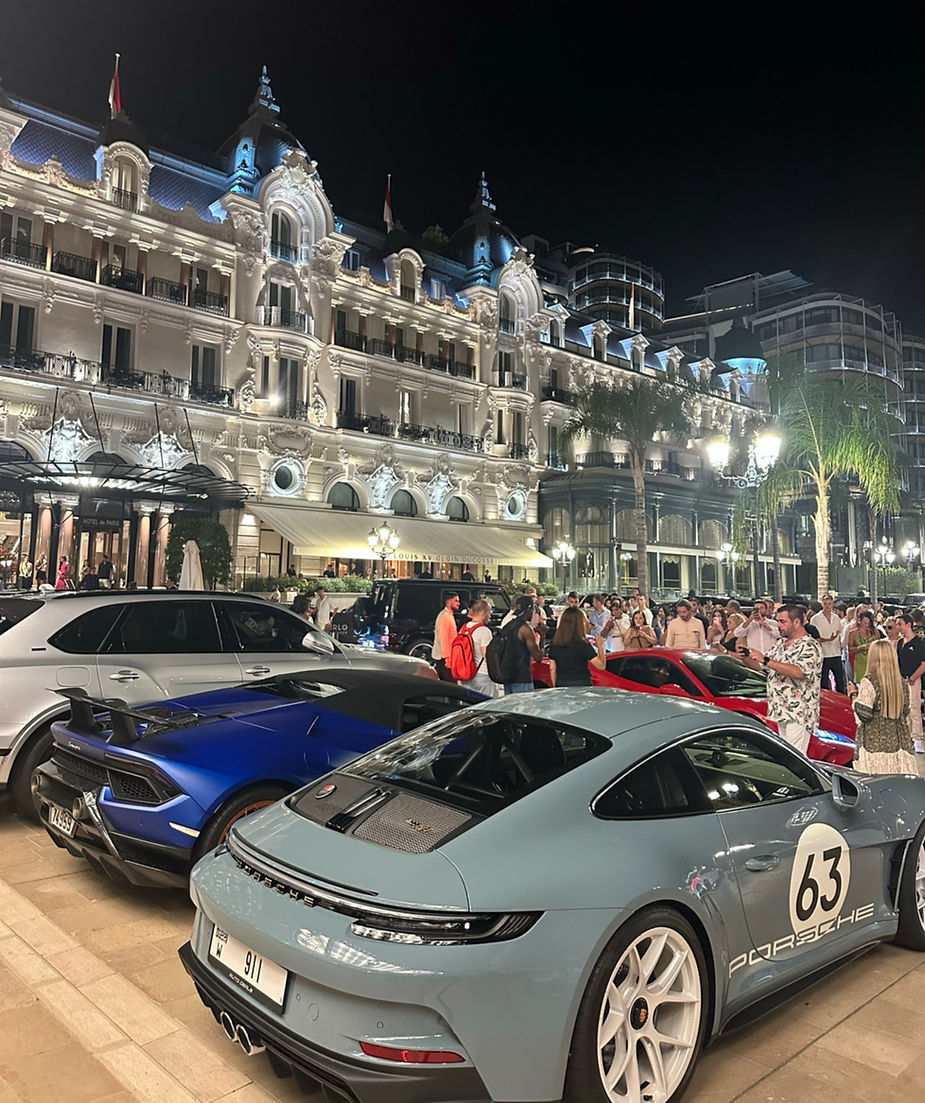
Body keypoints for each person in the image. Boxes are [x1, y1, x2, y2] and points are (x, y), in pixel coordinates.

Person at [739, 605, 823, 754]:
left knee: (794, 758)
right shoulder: (780, 644)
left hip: (799, 713)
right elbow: (761, 666)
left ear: (797, 622)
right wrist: (747, 658)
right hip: (781, 711)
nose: (778, 625)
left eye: (783, 622)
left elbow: (799, 672)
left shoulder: (809, 646)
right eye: (777, 621)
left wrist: (765, 660)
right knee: (786, 756)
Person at [852, 638, 916, 774]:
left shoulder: (869, 682)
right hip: (899, 744)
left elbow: (864, 714)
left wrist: (853, 695)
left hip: (873, 746)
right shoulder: (903, 683)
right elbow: (905, 710)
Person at [547, 607, 607, 686]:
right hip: (582, 683)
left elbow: (552, 668)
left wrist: (556, 686)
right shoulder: (583, 644)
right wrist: (600, 647)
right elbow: (601, 666)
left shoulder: (555, 643)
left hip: (562, 682)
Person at [501, 595, 544, 695]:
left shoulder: (508, 625)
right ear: (529, 608)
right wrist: (542, 636)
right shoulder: (525, 629)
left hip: (508, 676)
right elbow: (538, 657)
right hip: (522, 678)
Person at [896, 613, 925, 755]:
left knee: (914, 708)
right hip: (902, 679)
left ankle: (918, 738)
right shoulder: (901, 643)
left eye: (900, 624)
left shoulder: (919, 642)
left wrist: (914, 677)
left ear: (908, 624)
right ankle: (906, 738)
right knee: (904, 709)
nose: (898, 628)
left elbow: (923, 664)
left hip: (913, 679)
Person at [459, 599, 497, 698]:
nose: (490, 615)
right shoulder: (484, 631)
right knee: (487, 705)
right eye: (489, 612)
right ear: (483, 613)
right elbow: (486, 655)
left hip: (465, 674)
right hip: (482, 674)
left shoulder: (463, 628)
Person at [810, 594, 846, 693]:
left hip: (836, 652)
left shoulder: (837, 618)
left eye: (829, 603)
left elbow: (839, 634)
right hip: (824, 654)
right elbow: (814, 638)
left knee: (840, 680)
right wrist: (827, 639)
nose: (827, 606)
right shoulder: (815, 619)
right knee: (824, 681)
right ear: (822, 604)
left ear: (832, 604)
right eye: (825, 603)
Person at [432, 592, 461, 682]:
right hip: (443, 658)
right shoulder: (445, 616)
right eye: (456, 601)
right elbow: (443, 638)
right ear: (449, 602)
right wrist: (448, 658)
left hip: (446, 657)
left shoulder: (449, 615)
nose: (458, 603)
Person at [848, 610, 879, 682]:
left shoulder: (875, 632)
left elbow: (878, 646)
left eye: (868, 623)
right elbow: (850, 649)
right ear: (859, 621)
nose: (866, 625)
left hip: (872, 662)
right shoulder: (853, 633)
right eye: (864, 623)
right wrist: (860, 648)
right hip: (859, 662)